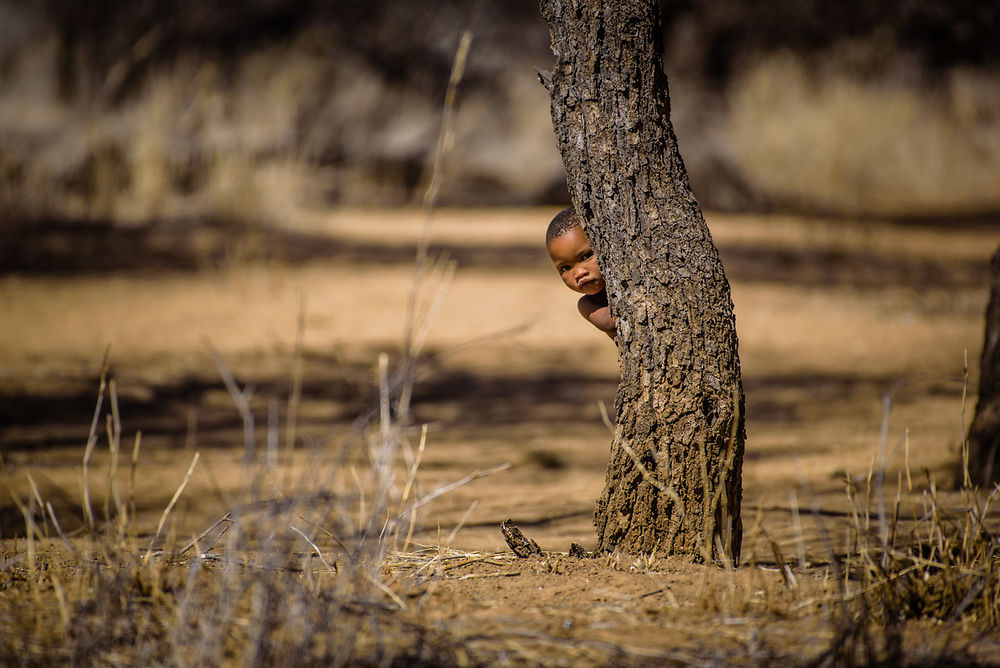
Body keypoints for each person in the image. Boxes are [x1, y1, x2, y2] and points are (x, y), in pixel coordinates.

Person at [545, 207, 617, 340]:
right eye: (565, 268)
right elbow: (612, 323)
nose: (578, 273)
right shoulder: (587, 304)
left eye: (586, 257)